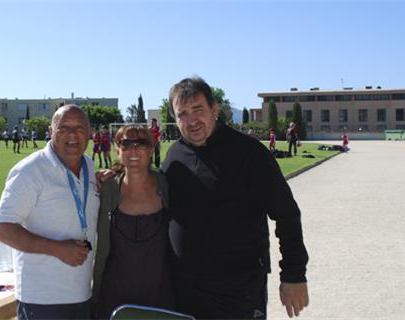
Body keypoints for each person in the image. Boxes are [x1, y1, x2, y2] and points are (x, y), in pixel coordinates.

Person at [161, 77, 309, 319]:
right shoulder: (174, 157)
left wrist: (294, 275)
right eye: (182, 114)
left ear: (214, 109)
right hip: (186, 291)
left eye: (198, 109)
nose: (191, 120)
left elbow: (287, 214)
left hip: (238, 292)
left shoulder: (249, 154)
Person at [0, 104, 99, 320]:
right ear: (51, 132)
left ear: (89, 133)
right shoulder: (30, 170)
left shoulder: (89, 166)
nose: (72, 134)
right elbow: (1, 229)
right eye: (63, 127)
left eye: (79, 127)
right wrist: (57, 249)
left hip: (82, 293)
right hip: (42, 300)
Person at [93, 125, 174, 318]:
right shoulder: (107, 188)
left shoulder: (168, 186)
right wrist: (94, 296)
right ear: (117, 150)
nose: (134, 150)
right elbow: (101, 251)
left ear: (152, 149)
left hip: (161, 297)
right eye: (127, 144)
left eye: (141, 144)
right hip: (115, 299)